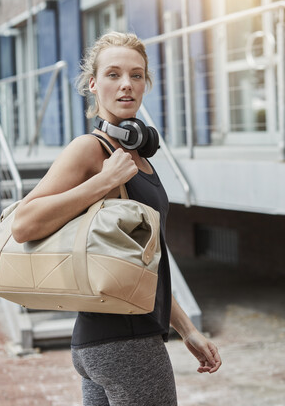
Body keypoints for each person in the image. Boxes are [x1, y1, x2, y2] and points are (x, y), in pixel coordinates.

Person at [12, 31, 222, 406]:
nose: (127, 84)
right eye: (113, 74)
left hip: (111, 342)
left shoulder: (139, 157)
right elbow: (23, 223)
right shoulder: (90, 149)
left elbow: (144, 264)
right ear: (93, 84)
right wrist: (104, 181)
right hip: (126, 343)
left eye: (136, 75)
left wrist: (188, 331)